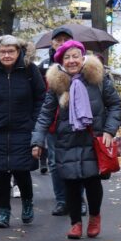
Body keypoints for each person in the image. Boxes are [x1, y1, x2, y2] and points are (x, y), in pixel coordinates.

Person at [31, 40, 121, 239]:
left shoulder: (98, 79)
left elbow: (115, 105)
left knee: (92, 182)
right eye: (67, 57)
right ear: (61, 61)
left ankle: (95, 218)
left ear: (82, 58)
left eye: (75, 56)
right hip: (66, 139)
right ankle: (75, 223)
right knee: (71, 183)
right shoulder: (56, 85)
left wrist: (109, 131)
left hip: (93, 139)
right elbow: (45, 113)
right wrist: (37, 140)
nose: (72, 61)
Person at [0, 35, 46, 228]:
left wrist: (34, 123)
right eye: (3, 51)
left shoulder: (30, 71)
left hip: (23, 129)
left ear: (19, 52)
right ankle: (3, 212)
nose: (6, 55)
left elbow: (41, 98)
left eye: (11, 51)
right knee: (1, 173)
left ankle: (27, 203)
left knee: (21, 170)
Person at [41, 27, 82, 216]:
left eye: (66, 39)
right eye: (58, 39)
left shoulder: (80, 64)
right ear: (52, 43)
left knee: (77, 161)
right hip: (54, 122)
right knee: (55, 162)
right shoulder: (43, 66)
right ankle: (61, 200)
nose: (61, 42)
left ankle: (78, 200)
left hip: (77, 122)